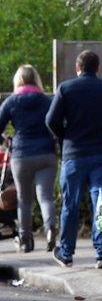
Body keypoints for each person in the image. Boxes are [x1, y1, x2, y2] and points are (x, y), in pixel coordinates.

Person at [46, 50, 102, 268]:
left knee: (70, 204)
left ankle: (66, 253)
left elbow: (51, 120)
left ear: (78, 68)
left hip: (73, 155)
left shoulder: (66, 89)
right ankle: (101, 254)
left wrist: (65, 135)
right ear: (97, 68)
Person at [0, 65, 58, 252]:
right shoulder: (47, 100)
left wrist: (6, 141)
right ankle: (50, 228)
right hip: (46, 154)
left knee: (24, 200)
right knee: (46, 197)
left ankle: (25, 241)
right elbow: (58, 124)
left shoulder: (11, 102)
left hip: (21, 155)